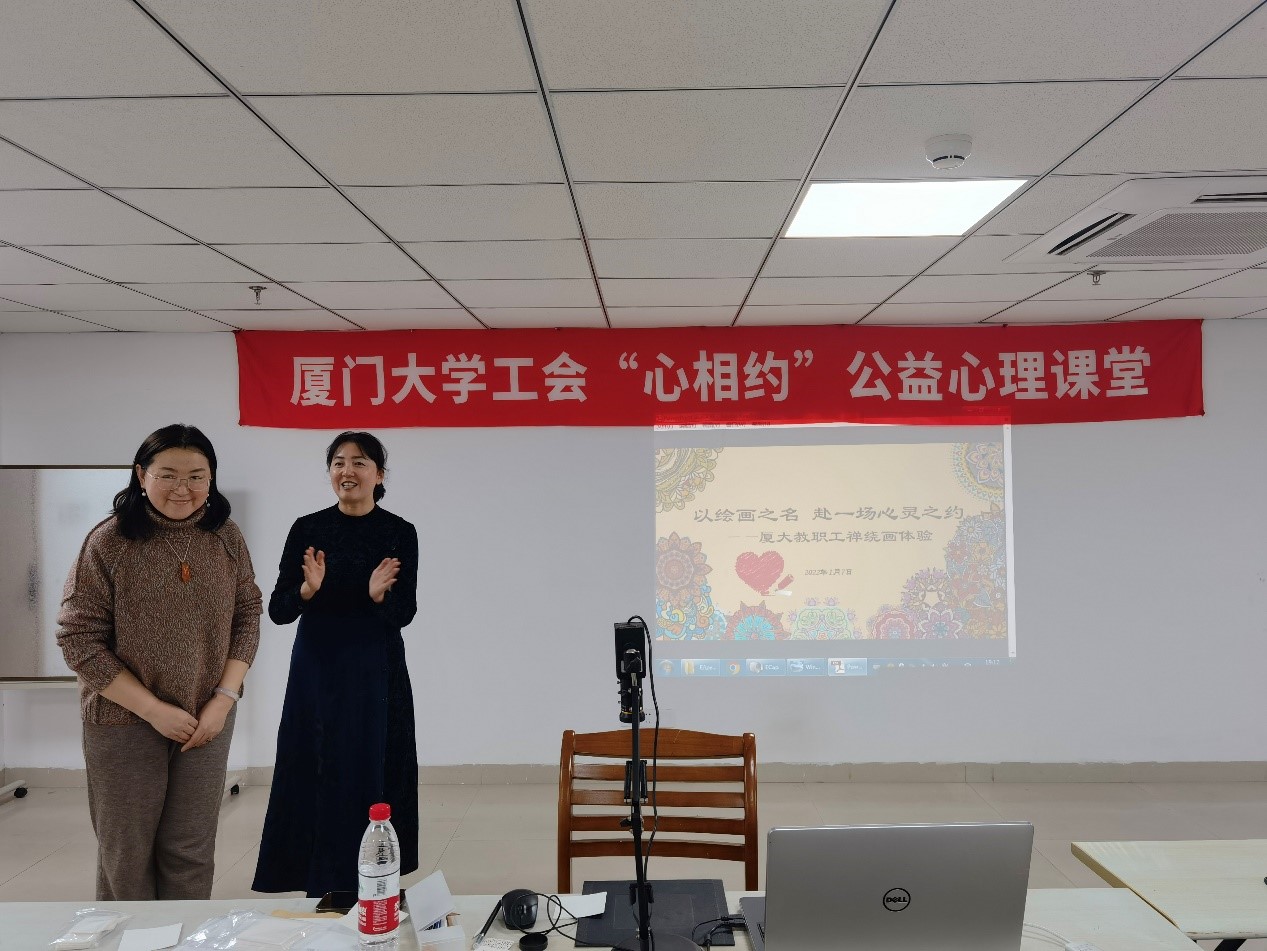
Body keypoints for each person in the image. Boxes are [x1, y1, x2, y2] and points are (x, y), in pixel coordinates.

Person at [56, 424, 262, 901]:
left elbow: (248, 615)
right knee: (127, 852)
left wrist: (223, 700)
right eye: (168, 474)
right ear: (141, 475)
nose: (182, 489)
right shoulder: (108, 541)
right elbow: (78, 639)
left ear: (212, 478)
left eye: (197, 476)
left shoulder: (225, 536)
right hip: (124, 720)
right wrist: (152, 710)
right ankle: (133, 935)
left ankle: (184, 934)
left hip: (206, 718)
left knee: (191, 850)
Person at [253, 431, 419, 897]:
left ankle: (373, 876)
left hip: (375, 666)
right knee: (315, 763)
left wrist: (377, 596)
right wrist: (308, 590)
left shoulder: (399, 532)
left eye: (360, 462)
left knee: (371, 763)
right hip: (317, 666)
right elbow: (279, 609)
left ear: (379, 475)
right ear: (329, 473)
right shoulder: (307, 528)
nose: (348, 471)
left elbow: (404, 612)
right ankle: (318, 877)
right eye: (339, 462)